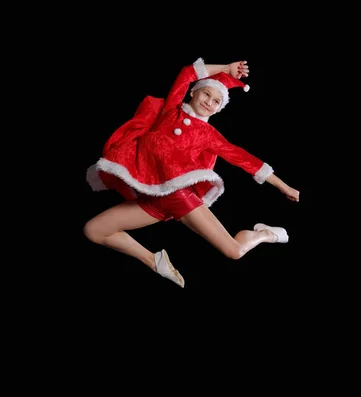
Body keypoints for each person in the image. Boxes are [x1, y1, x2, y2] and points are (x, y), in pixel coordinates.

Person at [84, 57, 300, 288]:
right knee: (94, 230)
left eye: (216, 101)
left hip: (180, 199)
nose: (209, 102)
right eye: (206, 94)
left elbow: (244, 159)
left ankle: (265, 234)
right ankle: (153, 261)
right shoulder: (171, 111)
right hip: (152, 200)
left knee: (235, 251)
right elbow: (187, 73)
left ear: (219, 108)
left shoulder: (208, 134)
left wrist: (284, 186)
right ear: (193, 93)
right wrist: (226, 68)